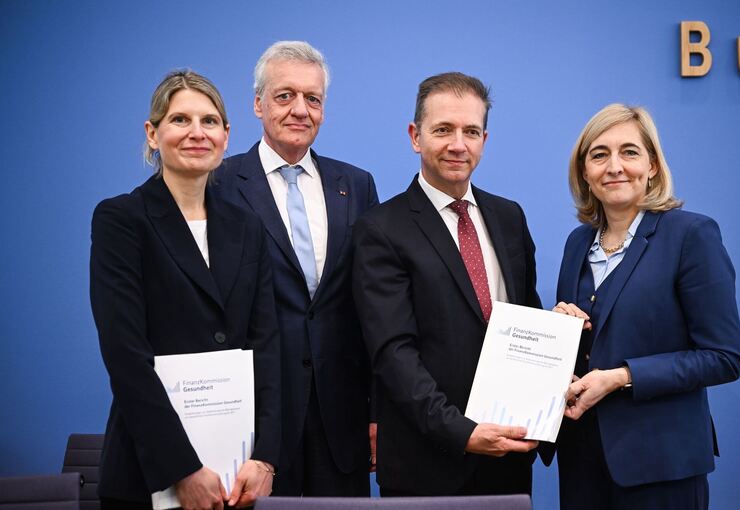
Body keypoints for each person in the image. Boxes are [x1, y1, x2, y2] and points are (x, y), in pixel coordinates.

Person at [90, 70, 281, 510]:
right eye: (180, 120)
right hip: (150, 474)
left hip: (238, 478)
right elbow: (125, 356)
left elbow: (267, 346)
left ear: (227, 135)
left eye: (209, 121)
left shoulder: (247, 226)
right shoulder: (121, 220)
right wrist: (182, 470)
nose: (197, 133)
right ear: (153, 134)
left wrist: (266, 458)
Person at [352, 72, 541, 497]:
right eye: (443, 130)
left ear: (484, 140)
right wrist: (463, 432)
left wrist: (559, 334)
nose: (458, 144)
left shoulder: (510, 217)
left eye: (471, 131)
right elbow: (393, 354)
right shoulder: (381, 229)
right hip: (427, 461)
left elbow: (527, 319)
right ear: (415, 136)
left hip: (507, 455)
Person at [550, 103, 740, 509]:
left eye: (630, 152)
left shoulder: (692, 235)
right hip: (583, 461)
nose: (615, 166)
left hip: (662, 465)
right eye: (599, 154)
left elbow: (723, 357)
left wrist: (622, 376)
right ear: (584, 171)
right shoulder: (576, 244)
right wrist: (559, 332)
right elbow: (585, 345)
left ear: (652, 165)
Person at [212, 41, 378, 497]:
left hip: (340, 417)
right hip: (250, 417)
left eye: (313, 98)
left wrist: (376, 410)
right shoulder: (219, 183)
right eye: (285, 96)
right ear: (258, 104)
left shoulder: (357, 185)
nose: (300, 109)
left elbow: (371, 306)